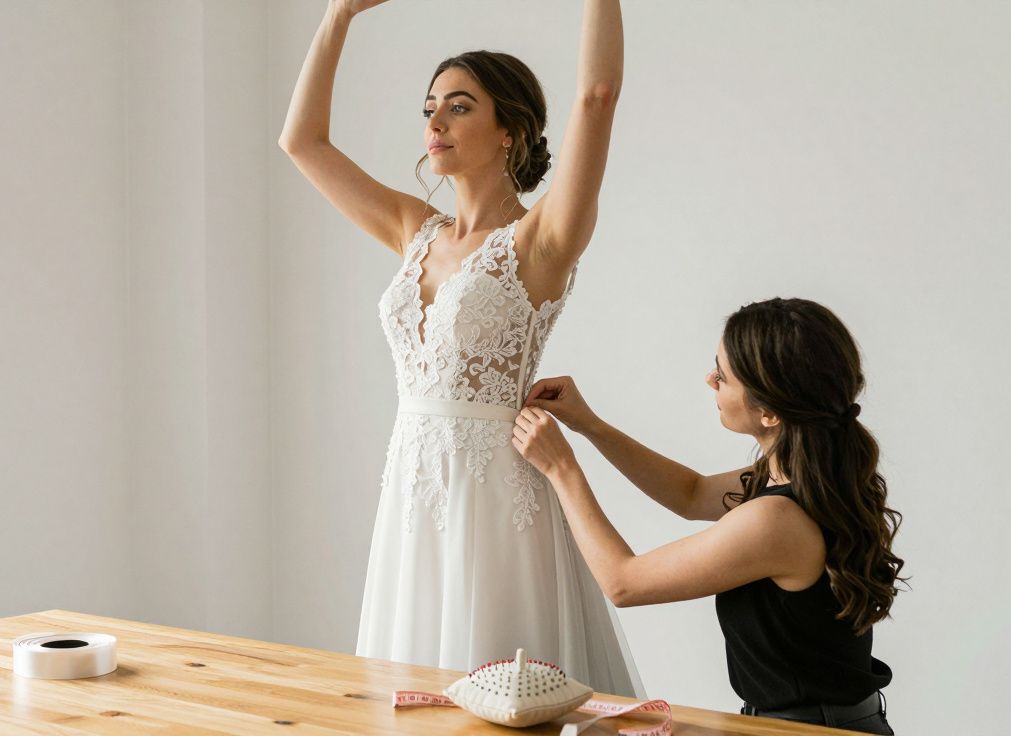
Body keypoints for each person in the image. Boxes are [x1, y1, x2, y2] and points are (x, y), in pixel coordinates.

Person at [278, 0, 640, 694]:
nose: (434, 122)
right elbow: (302, 143)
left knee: (498, 694)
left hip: (497, 501)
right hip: (412, 494)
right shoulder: (414, 228)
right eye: (429, 107)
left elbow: (597, 97)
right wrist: (337, 17)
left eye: (460, 106)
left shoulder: (541, 243)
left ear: (511, 131)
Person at [514, 297, 903, 734]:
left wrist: (560, 468)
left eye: (723, 376)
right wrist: (589, 425)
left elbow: (624, 582)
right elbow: (691, 493)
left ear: (770, 412)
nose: (709, 379)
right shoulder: (808, 476)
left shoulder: (777, 519)